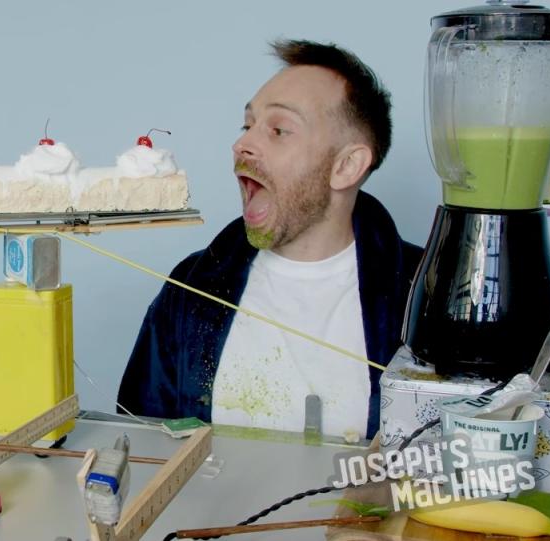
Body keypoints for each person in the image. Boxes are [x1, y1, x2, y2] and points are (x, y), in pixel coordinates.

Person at [117, 39, 423, 441]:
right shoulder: (192, 287)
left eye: (278, 130)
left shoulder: (426, 296)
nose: (242, 144)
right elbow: (139, 447)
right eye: (248, 125)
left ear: (347, 166)